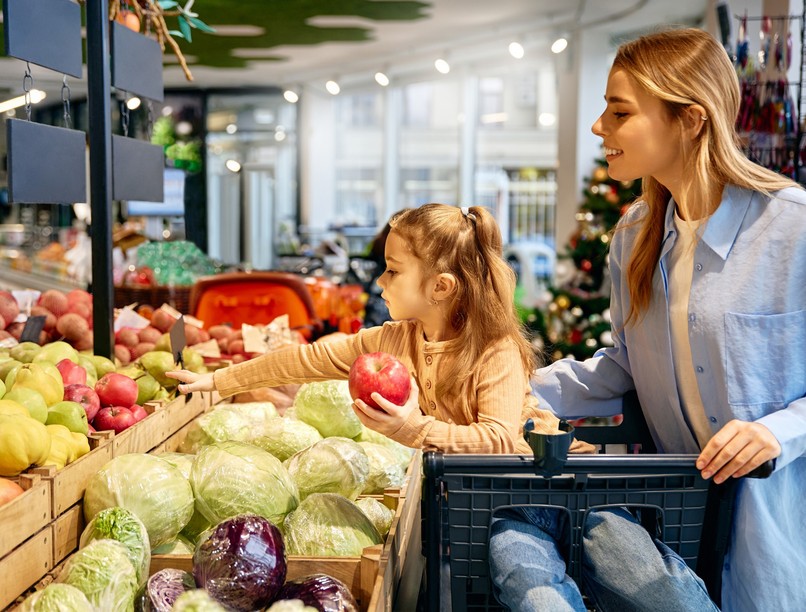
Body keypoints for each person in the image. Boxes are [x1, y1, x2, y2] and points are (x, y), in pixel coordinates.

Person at [491, 28, 806, 611]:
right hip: (677, 533)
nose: (598, 128)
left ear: (689, 119)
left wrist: (775, 431)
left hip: (779, 535)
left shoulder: (791, 228)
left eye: (619, 111)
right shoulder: (635, 234)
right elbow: (624, 366)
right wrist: (498, 389)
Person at [168, 203, 576, 454]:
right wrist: (219, 381)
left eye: (393, 271)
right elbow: (306, 360)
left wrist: (410, 429)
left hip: (550, 484)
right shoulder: (394, 340)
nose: (380, 281)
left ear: (441, 287)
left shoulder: (494, 349)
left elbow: (499, 441)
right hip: (486, 498)